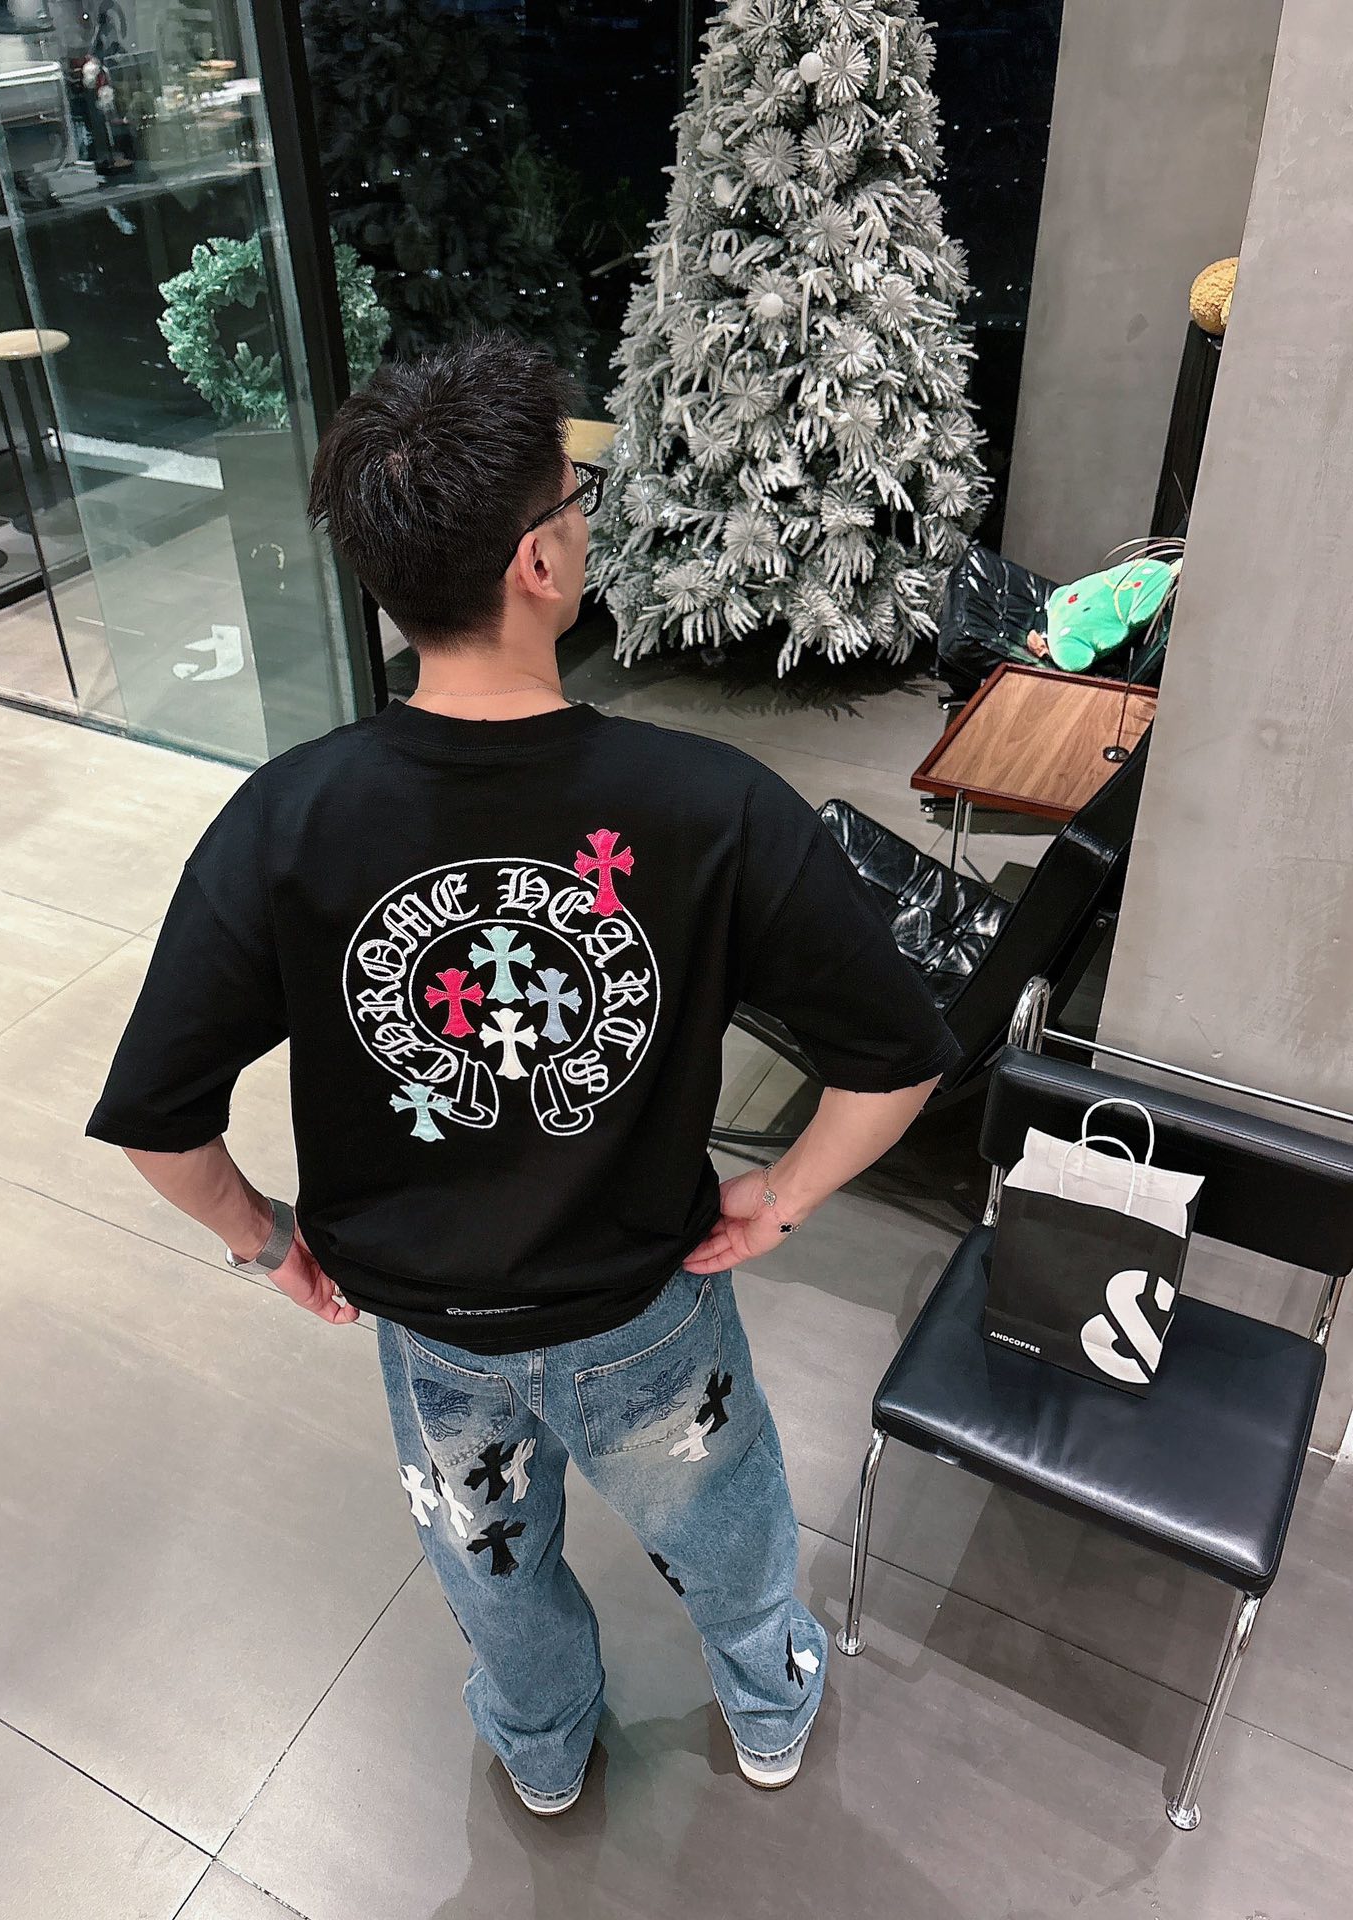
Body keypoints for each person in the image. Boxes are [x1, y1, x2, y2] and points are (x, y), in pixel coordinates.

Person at [86, 331, 960, 1816]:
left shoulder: (285, 820)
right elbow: (896, 1060)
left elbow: (160, 1126)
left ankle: (544, 1750)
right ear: (539, 563)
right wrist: (780, 1199)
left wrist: (268, 1242)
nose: (584, 523)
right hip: (648, 1311)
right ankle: (769, 1709)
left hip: (430, 1334)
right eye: (576, 498)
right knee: (732, 1533)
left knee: (489, 1565)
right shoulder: (713, 807)